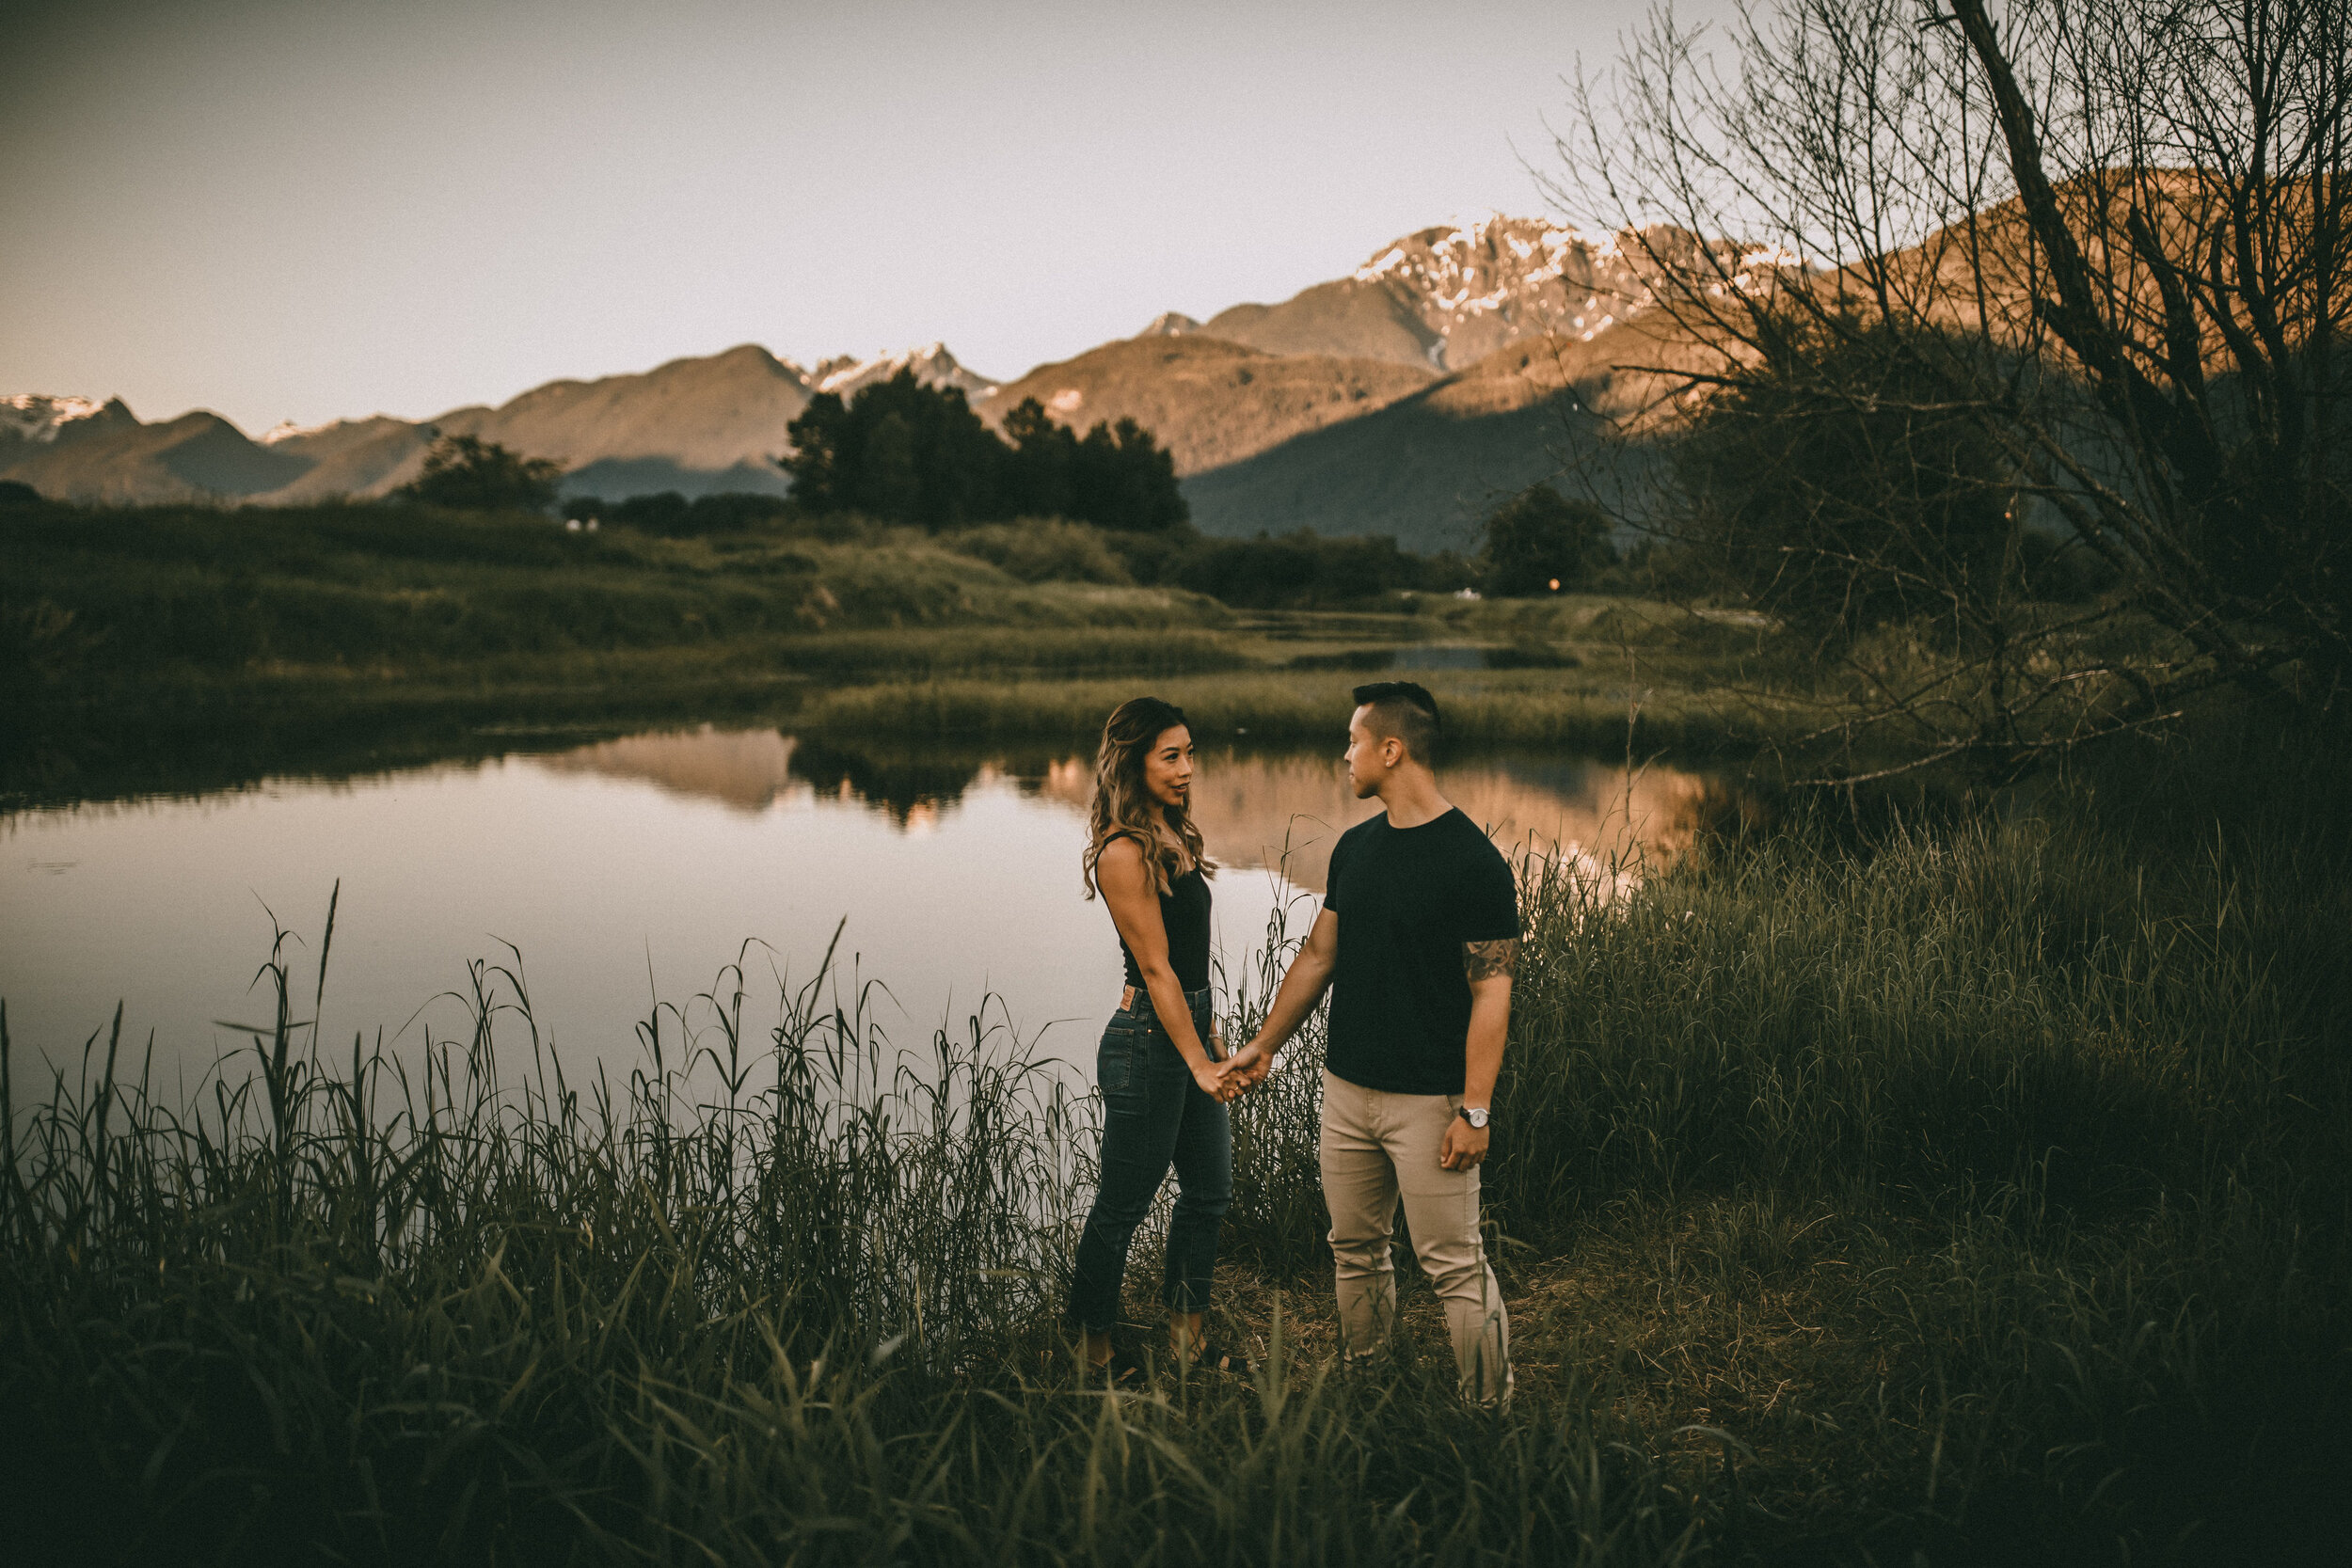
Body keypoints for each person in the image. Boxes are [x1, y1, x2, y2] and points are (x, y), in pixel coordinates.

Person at [1224, 681, 1518, 1403]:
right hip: (1347, 1092)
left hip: (1432, 1102)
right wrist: (1265, 1044)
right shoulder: (1355, 848)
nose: (1344, 754)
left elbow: (1493, 990)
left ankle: (1491, 1409)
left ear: (1392, 749)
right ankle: (1372, 1384)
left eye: (1354, 740)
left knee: (1453, 1263)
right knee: (1354, 1251)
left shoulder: (1474, 862)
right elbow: (1320, 956)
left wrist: (1474, 1110)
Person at [1067, 696, 1250, 1384]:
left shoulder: (1173, 836)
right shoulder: (1122, 851)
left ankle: (1185, 1340)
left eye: (1190, 753)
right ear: (1133, 761)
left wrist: (1211, 1038)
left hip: (1186, 1025)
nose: (1186, 768)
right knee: (1121, 1206)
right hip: (1147, 1037)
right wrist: (1197, 1061)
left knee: (1209, 1190)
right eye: (1170, 755)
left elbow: (1192, 965)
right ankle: (1092, 1354)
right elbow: (1155, 968)